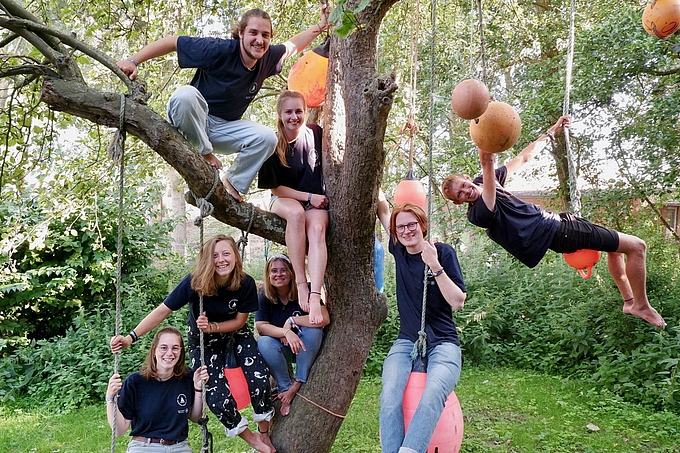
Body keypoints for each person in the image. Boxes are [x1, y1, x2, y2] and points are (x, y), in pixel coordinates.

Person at [441, 116, 666, 329]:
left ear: (467, 178)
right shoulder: (479, 214)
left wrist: (552, 132)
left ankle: (629, 301)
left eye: (463, 185)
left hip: (561, 223)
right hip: (559, 232)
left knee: (614, 249)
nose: (465, 192)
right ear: (458, 203)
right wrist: (481, 116)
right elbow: (487, 161)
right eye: (459, 195)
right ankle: (641, 305)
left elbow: (523, 158)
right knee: (637, 246)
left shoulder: (483, 181)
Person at [116, 8, 330, 202]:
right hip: (192, 119)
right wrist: (134, 61)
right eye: (253, 33)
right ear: (241, 34)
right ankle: (203, 151)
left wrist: (321, 26)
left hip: (222, 128)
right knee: (185, 94)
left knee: (267, 138)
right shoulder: (219, 50)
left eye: (265, 35)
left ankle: (233, 183)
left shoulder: (266, 59)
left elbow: (291, 46)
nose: (259, 40)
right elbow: (173, 42)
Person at [110, 234, 276, 453]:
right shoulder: (194, 282)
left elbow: (240, 321)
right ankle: (252, 440)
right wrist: (130, 337)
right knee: (215, 397)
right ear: (208, 259)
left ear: (235, 256)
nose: (221, 260)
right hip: (203, 342)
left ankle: (264, 433)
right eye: (215, 255)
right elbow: (162, 311)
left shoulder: (244, 283)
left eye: (226, 254)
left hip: (236, 333)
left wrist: (214, 327)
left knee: (259, 377)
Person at [377, 201, 467, 453]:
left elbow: (458, 302)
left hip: (444, 342)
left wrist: (435, 266)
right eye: (401, 227)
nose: (406, 231)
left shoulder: (443, 253)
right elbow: (383, 209)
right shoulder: (399, 249)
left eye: (412, 225)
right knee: (390, 396)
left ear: (422, 226)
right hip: (407, 340)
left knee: (433, 393)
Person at [257, 90, 329, 323]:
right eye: (288, 112)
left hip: (315, 203)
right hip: (285, 200)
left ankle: (316, 295)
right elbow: (275, 188)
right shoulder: (272, 143)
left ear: (306, 112)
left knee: (317, 230)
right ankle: (301, 282)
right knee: (297, 214)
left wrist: (313, 199)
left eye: (299, 111)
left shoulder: (316, 134)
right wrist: (308, 196)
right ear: (280, 114)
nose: (294, 116)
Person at [106, 326, 209, 452]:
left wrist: (198, 389)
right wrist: (110, 398)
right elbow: (119, 430)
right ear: (154, 350)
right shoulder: (135, 382)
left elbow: (195, 417)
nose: (170, 353)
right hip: (144, 447)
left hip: (179, 447)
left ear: (181, 351)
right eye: (164, 348)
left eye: (175, 348)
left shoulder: (187, 377)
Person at [255, 253, 330, 416]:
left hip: (307, 347)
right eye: (274, 271)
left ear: (291, 272)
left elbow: (323, 318)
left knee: (314, 329)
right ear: (268, 275)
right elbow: (260, 326)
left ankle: (297, 383)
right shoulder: (264, 295)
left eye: (283, 270)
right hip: (282, 348)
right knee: (263, 342)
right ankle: (285, 388)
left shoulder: (307, 290)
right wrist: (286, 332)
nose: (279, 274)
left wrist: (292, 320)